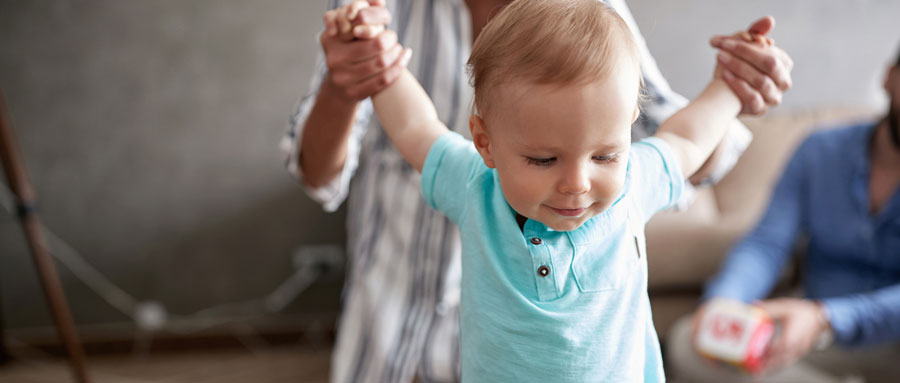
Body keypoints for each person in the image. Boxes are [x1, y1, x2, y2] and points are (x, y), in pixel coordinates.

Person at [284, 0, 792, 381]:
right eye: (543, 160)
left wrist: (730, 84)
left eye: (604, 155)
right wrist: (378, 60)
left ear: (628, 128)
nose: (578, 183)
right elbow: (417, 126)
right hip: (392, 335)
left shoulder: (636, 180)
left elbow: (684, 135)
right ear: (484, 142)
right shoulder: (471, 185)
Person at [667, 45, 900, 383]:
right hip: (810, 338)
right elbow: (766, 244)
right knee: (690, 342)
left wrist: (826, 318)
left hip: (884, 339)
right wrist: (725, 301)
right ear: (890, 77)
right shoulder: (820, 151)